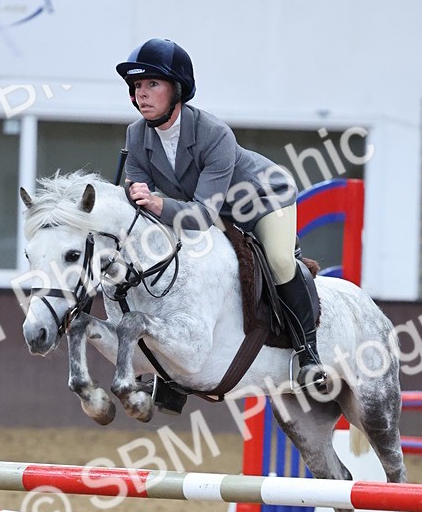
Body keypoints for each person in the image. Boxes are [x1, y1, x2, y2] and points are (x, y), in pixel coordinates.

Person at [115, 38, 325, 388]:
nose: (143, 94)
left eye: (153, 84)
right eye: (137, 86)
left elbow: (198, 218)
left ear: (177, 90)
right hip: (210, 209)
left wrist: (156, 203)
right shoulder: (136, 135)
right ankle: (171, 379)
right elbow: (139, 199)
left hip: (262, 199)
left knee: (279, 261)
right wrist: (133, 194)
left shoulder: (214, 134)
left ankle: (308, 353)